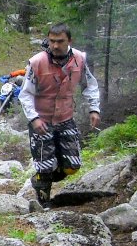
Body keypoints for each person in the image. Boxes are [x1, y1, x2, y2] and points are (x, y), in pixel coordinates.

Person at [18, 23, 101, 207]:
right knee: (45, 165)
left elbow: (90, 85)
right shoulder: (37, 62)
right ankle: (44, 203)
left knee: (72, 166)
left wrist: (94, 109)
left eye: (60, 41)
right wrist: (34, 118)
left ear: (69, 41)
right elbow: (25, 94)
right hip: (41, 120)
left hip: (65, 118)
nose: (55, 45)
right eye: (52, 41)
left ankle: (40, 178)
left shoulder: (79, 59)